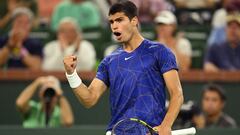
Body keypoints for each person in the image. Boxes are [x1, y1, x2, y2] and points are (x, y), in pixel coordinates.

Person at [63, 1, 184, 135]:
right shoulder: (109, 62)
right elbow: (89, 99)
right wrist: (71, 74)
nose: (115, 26)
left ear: (134, 21)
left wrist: (165, 126)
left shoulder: (160, 52)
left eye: (119, 20)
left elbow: (177, 94)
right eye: (112, 22)